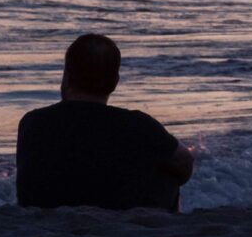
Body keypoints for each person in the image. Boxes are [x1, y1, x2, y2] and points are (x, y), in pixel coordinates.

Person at [15, 34, 196, 210]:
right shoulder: (138, 125)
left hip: (41, 215)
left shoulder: (32, 122)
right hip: (112, 217)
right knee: (166, 173)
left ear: (67, 77)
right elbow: (185, 163)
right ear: (115, 83)